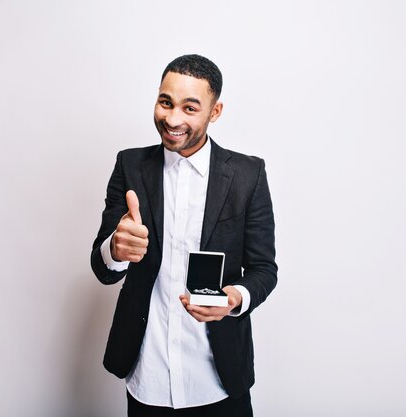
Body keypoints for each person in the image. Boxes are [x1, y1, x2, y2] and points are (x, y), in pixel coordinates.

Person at [90, 54, 277, 417]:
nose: (173, 119)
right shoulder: (129, 166)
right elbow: (102, 267)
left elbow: (264, 269)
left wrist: (232, 298)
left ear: (215, 111)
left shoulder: (247, 175)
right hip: (148, 380)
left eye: (190, 108)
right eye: (165, 102)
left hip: (218, 379)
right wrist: (115, 248)